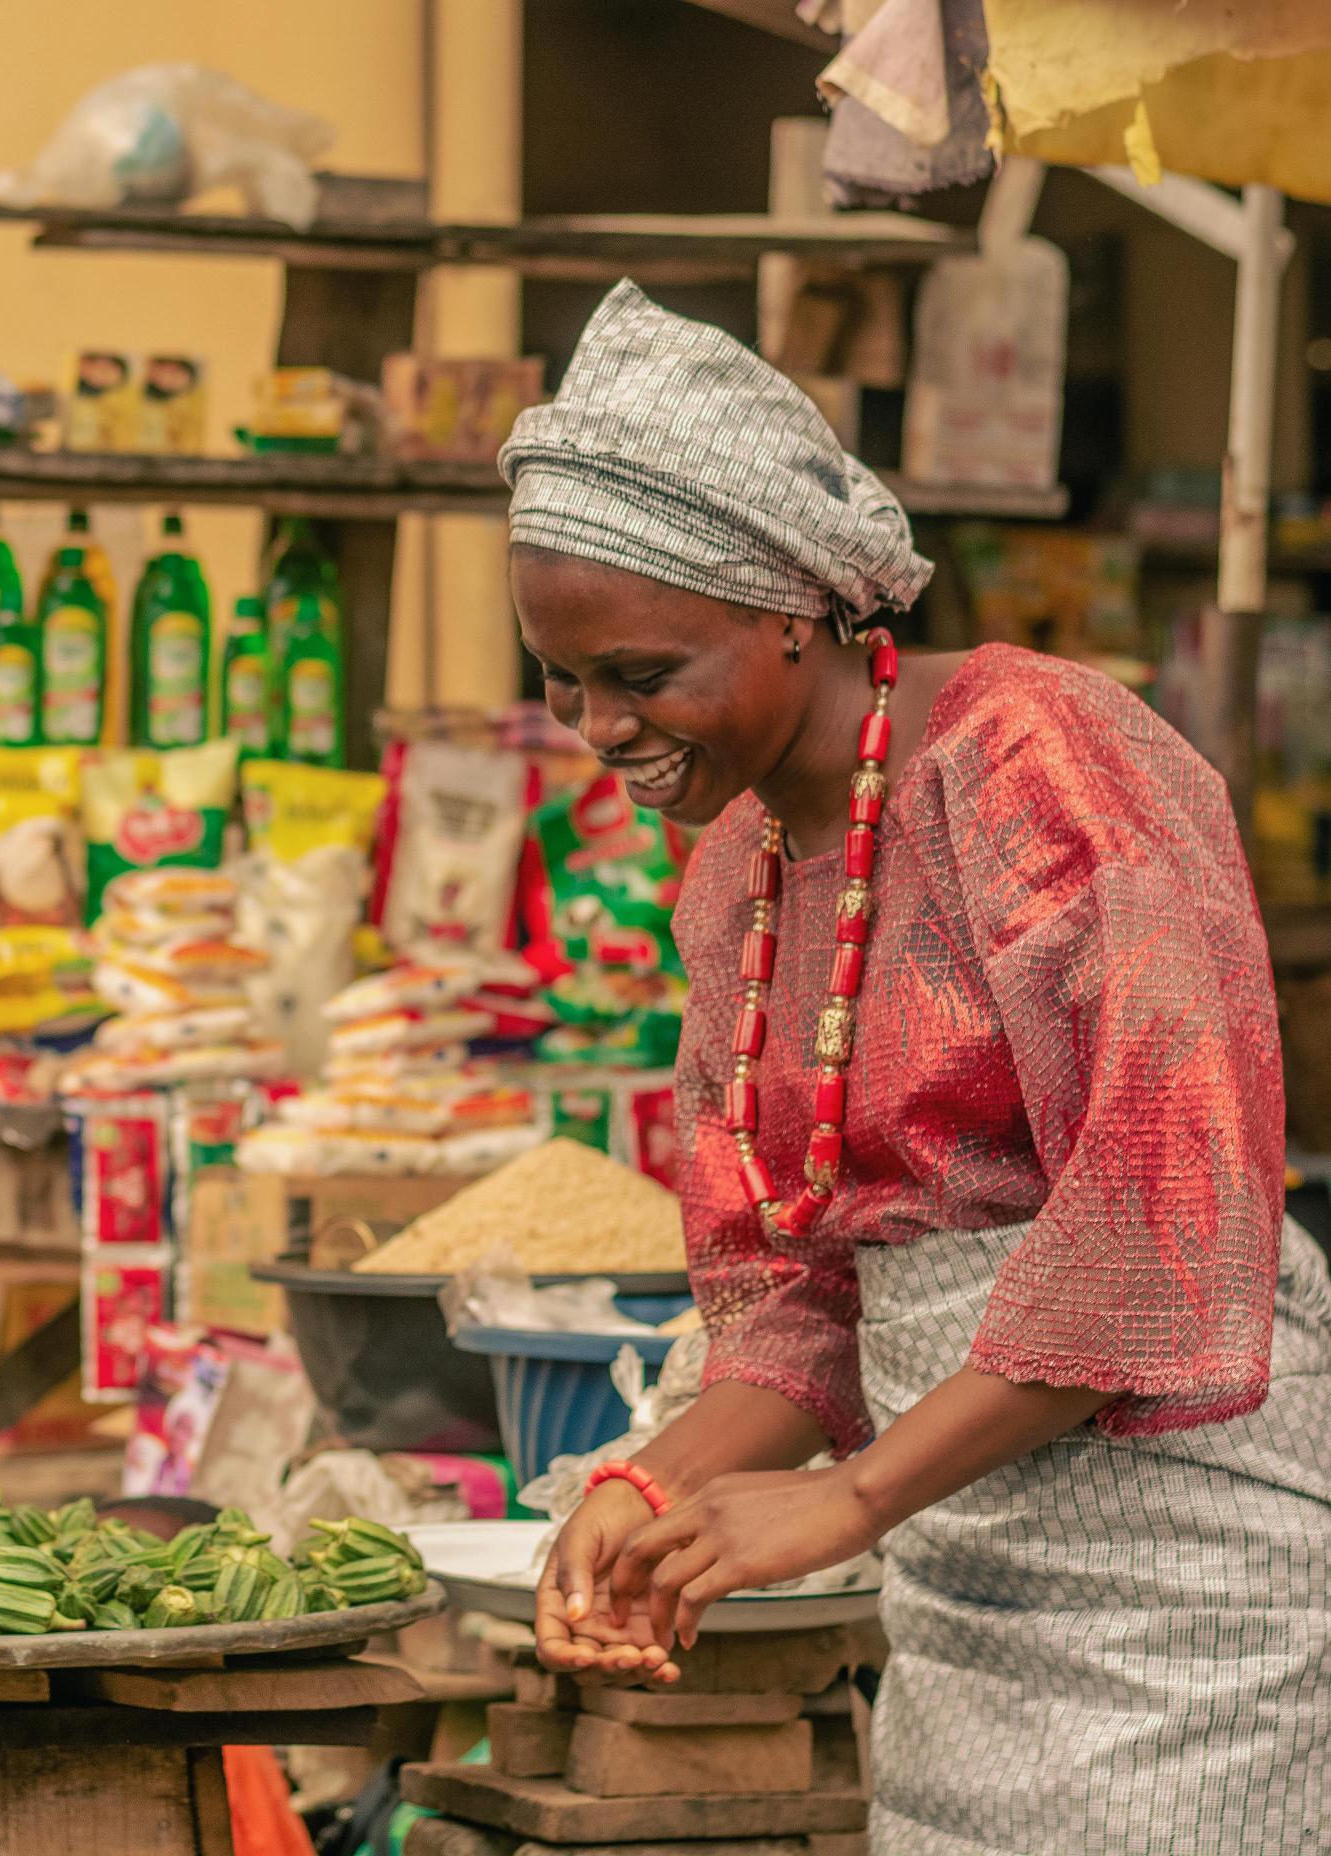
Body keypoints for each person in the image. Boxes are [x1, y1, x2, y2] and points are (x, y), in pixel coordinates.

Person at [502, 282, 1331, 1855]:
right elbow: (796, 1297)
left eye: (640, 673)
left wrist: (856, 1497)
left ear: (788, 610)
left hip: (1191, 1584)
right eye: (562, 680)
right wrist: (645, 1491)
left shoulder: (1039, 760)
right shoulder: (733, 874)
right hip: (956, 1580)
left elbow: (1162, 1215)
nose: (595, 727)